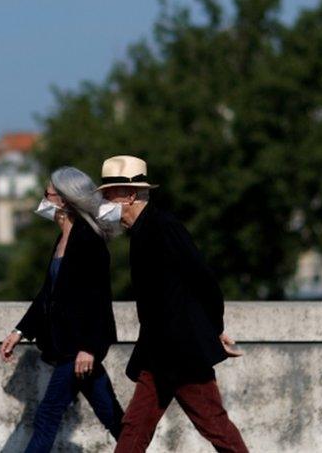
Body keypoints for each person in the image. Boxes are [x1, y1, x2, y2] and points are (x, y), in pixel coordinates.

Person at [97, 155, 248, 453]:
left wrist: (214, 329)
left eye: (109, 193)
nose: (103, 200)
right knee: (134, 429)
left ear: (129, 195)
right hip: (158, 353)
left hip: (183, 352)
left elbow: (203, 280)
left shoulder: (163, 226)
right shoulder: (141, 231)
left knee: (215, 426)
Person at [1, 166, 124, 453]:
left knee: (47, 414)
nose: (42, 200)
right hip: (68, 345)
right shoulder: (62, 239)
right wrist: (19, 331)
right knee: (112, 416)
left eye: (47, 194)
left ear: (65, 200)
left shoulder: (88, 240)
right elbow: (49, 295)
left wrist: (89, 348)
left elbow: (97, 299)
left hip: (77, 347)